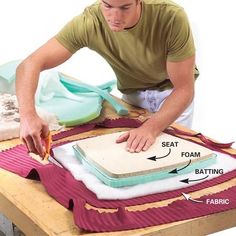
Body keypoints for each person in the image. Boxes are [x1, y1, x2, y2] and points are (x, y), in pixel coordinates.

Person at [16, 0, 198, 158]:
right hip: (132, 96)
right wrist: (27, 115)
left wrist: (151, 128)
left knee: (170, 159)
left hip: (172, 95)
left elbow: (184, 89)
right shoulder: (90, 21)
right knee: (129, 157)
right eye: (108, 6)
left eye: (125, 7)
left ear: (138, 1)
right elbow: (30, 64)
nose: (115, 16)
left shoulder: (171, 17)